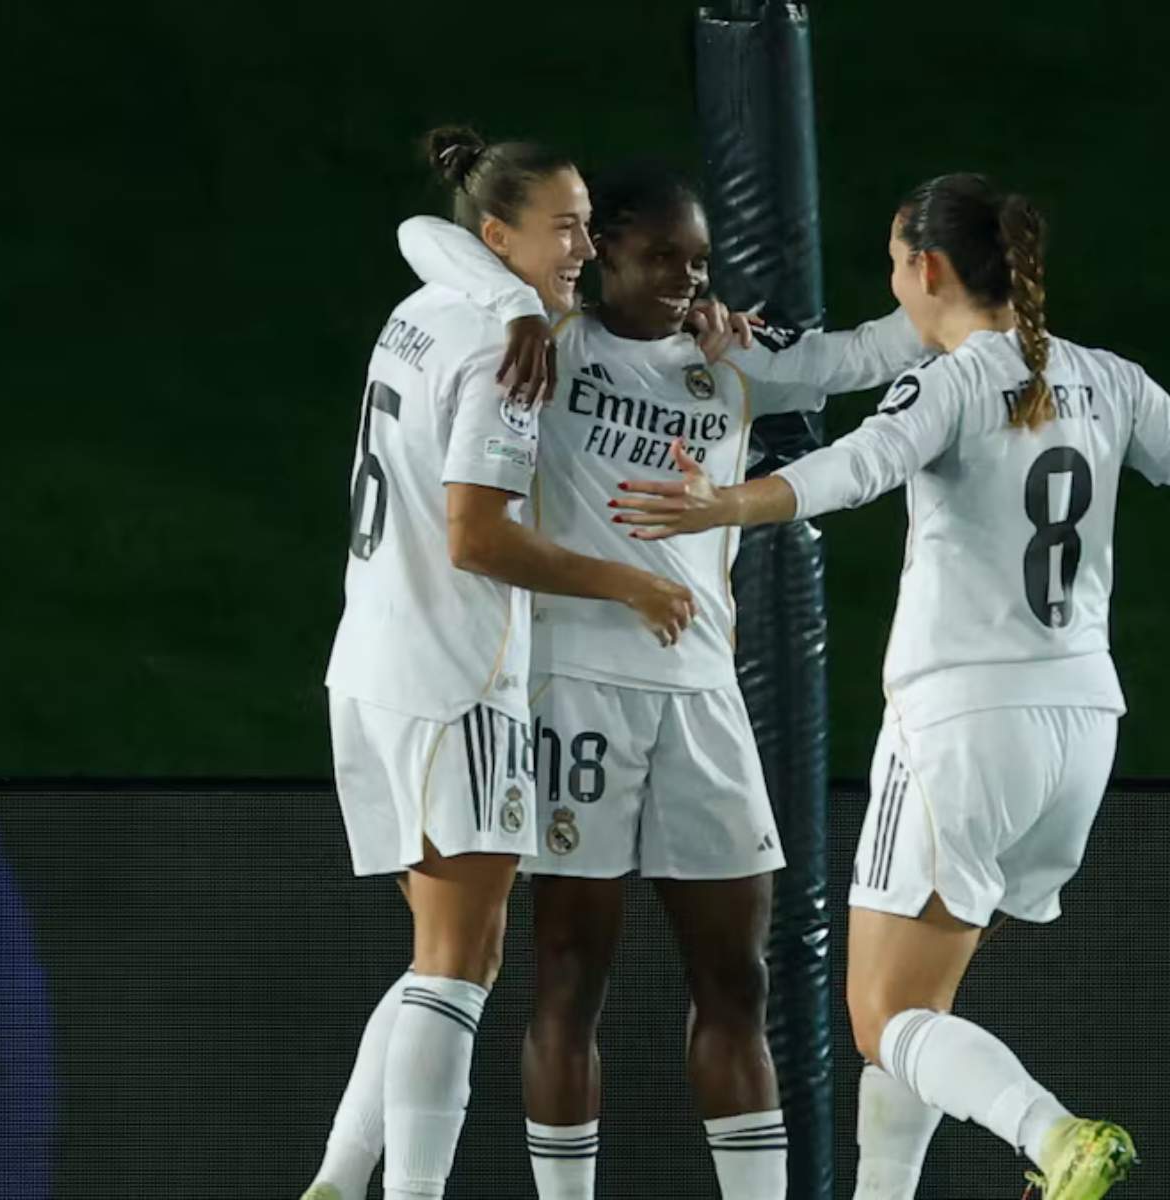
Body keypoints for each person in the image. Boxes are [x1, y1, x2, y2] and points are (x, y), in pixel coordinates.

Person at [614, 171, 1170, 1200]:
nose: (891, 283)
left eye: (894, 263)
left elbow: (856, 467)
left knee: (883, 1019)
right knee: (923, 1015)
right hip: (1080, 730)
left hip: (960, 726)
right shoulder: (1106, 378)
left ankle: (1055, 1138)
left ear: (929, 267)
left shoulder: (947, 383)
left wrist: (725, 504)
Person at [394, 165, 931, 1200]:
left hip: (701, 699)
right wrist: (514, 301)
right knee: (566, 979)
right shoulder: (545, 343)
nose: (687, 278)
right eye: (662, 257)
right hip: (573, 692)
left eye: (699, 261)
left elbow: (872, 353)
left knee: (738, 979)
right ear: (602, 253)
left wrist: (950, 277)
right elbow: (424, 235)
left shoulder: (727, 358)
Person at [302, 128, 696, 1200]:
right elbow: (477, 536)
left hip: (373, 663)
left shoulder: (424, 314)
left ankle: (340, 1179)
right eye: (563, 226)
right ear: (497, 235)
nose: (584, 245)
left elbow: (423, 239)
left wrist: (524, 297)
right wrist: (633, 581)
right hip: (455, 677)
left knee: (447, 951)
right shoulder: (506, 353)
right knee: (457, 966)